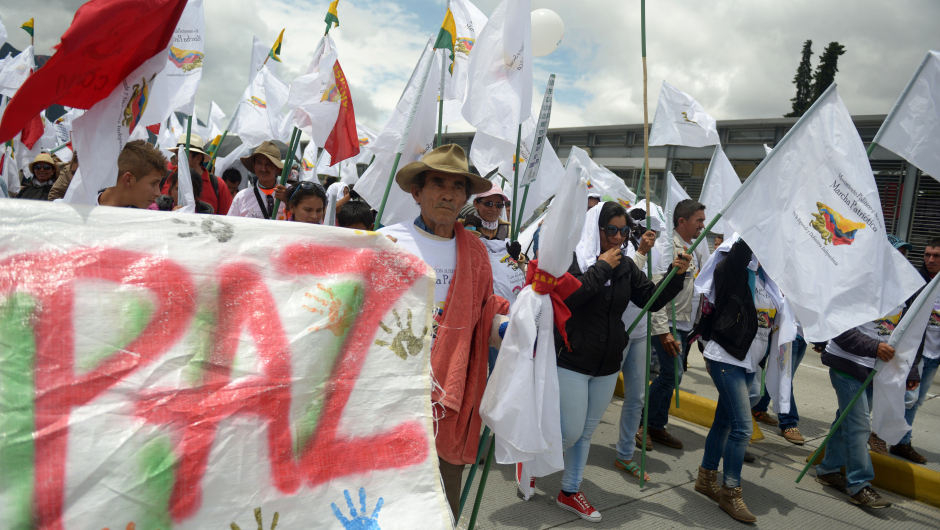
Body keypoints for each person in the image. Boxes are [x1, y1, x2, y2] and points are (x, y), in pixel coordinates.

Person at [377, 144, 508, 519]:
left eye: (458, 186)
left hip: (451, 395)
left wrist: (514, 329)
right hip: (393, 391)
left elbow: (485, 318)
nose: (448, 193)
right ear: (417, 192)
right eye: (437, 183)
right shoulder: (387, 242)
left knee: (442, 500)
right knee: (390, 493)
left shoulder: (477, 253)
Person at [554, 201, 689, 522]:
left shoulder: (626, 265)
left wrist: (676, 275)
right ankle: (529, 460)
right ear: (594, 230)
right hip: (573, 359)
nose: (618, 238)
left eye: (623, 230)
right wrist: (601, 267)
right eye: (610, 230)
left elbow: (649, 299)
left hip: (608, 362)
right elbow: (570, 297)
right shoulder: (574, 258)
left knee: (585, 434)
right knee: (569, 432)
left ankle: (569, 491)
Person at [691, 237, 788, 523]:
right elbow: (745, 246)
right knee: (742, 428)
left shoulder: (767, 280)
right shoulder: (731, 271)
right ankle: (730, 492)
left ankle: (706, 477)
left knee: (724, 422)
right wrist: (761, 222)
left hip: (748, 363)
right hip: (726, 358)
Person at [814, 292, 920, 509]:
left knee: (848, 422)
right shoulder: (857, 288)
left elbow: (907, 335)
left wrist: (912, 370)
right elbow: (837, 328)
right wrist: (873, 347)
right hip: (847, 367)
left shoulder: (904, 294)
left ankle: (828, 470)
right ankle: (859, 485)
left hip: (876, 371)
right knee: (860, 425)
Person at [646, 199, 709, 450]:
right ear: (682, 221)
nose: (703, 225)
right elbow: (657, 292)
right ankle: (643, 423)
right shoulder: (666, 246)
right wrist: (662, 330)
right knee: (672, 374)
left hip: (682, 323)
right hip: (667, 322)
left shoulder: (690, 247)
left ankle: (655, 425)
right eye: (699, 220)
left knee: (673, 376)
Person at [615, 202, 662, 481]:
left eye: (653, 229)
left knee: (637, 396)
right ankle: (568, 445)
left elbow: (657, 296)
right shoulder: (621, 245)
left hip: (641, 331)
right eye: (643, 226)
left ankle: (624, 455)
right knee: (600, 394)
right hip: (618, 330)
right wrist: (641, 252)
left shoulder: (658, 249)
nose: (649, 233)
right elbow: (626, 276)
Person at [890, 236, 939, 464]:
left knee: (916, 400)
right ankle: (894, 439)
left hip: (934, 354)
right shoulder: (915, 281)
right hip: (915, 351)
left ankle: (899, 440)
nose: (930, 259)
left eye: (936, 256)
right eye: (927, 254)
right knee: (908, 397)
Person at [165, 134, 232, 215]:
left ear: (198, 158)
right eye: (176, 153)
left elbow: (228, 218)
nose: (178, 158)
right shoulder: (167, 178)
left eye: (183, 154)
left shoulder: (218, 184)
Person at [227, 141, 288, 220]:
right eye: (259, 163)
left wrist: (289, 202)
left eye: (269, 164)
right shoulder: (242, 197)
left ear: (277, 168)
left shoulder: (289, 192)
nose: (263, 169)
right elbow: (230, 225)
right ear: (254, 165)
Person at [97, 140, 167, 208]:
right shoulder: (87, 201)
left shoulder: (145, 218)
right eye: (153, 183)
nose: (158, 194)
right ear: (128, 179)